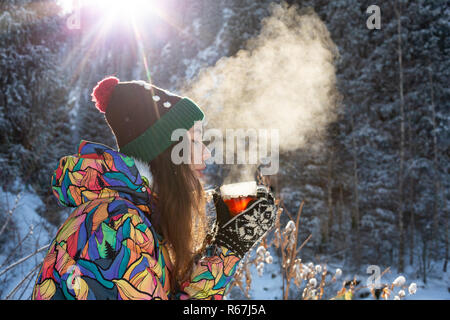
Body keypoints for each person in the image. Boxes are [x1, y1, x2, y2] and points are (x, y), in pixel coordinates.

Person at [32, 76, 276, 300]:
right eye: (193, 141)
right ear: (163, 152)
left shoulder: (140, 217)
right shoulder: (117, 225)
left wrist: (223, 246)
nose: (205, 153)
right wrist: (226, 251)